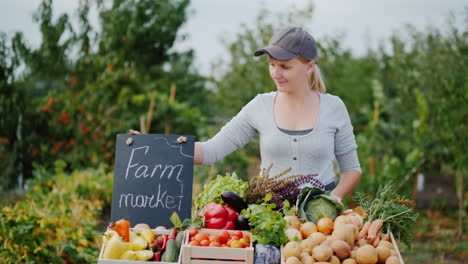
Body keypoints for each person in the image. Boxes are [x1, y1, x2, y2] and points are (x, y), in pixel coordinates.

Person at [193, 27, 361, 203]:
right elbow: (210, 151)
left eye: (285, 66)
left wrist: (335, 196)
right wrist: (171, 147)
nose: (276, 74)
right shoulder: (260, 106)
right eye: (271, 65)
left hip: (320, 220)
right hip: (271, 216)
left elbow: (352, 169)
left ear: (309, 67)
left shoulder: (333, 107)